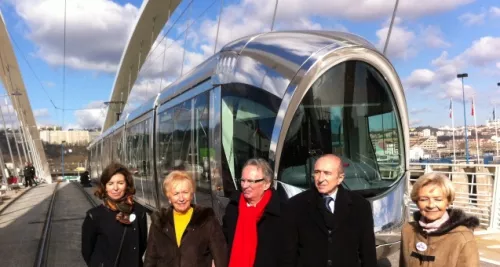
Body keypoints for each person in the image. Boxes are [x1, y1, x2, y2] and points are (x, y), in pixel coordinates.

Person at [281, 154, 377, 267]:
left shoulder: (360, 206)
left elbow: (367, 252)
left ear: (340, 178)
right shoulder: (295, 205)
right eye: (317, 172)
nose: (321, 179)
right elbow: (288, 253)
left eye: (327, 173)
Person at [144, 170, 227, 267]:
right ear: (169, 197)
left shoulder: (206, 219)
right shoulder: (160, 221)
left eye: (185, 192)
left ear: (192, 194)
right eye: (176, 194)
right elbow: (150, 258)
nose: (181, 198)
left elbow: (221, 255)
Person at [399, 173, 480, 267]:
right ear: (416, 202)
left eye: (438, 199)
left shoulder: (463, 238)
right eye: (423, 199)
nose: (431, 205)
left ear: (448, 202)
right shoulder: (407, 230)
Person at [223, 158, 287, 267]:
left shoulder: (281, 213)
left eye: (250, 181)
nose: (244, 185)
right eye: (243, 180)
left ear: (266, 184)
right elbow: (223, 240)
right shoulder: (233, 207)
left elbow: (287, 254)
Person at [81, 162, 148, 267]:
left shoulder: (139, 212)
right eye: (110, 183)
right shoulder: (94, 216)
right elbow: (87, 251)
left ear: (127, 185)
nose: (115, 188)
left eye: (120, 183)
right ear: (105, 187)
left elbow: (142, 244)